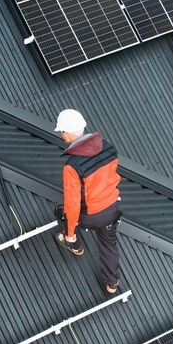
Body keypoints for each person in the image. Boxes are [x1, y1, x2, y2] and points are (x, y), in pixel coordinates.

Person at [52, 109, 122, 294]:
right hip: (112, 208)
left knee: (61, 212)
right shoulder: (108, 147)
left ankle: (76, 246)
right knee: (109, 244)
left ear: (65, 132)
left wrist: (70, 233)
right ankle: (112, 283)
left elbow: (72, 204)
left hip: (91, 215)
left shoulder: (72, 166)